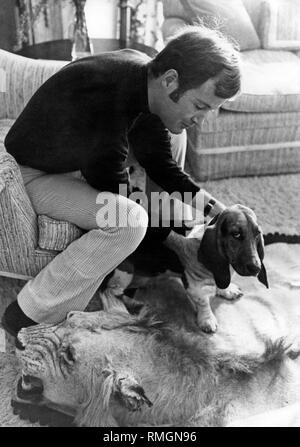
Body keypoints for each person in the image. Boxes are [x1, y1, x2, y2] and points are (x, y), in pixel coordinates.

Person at [2, 25, 241, 337]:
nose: (200, 120)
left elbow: (161, 165)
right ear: (170, 80)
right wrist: (178, 243)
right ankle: (25, 314)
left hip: (72, 166)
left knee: (160, 170)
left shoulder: (145, 83)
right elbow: (119, 193)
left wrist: (218, 211)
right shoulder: (108, 93)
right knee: (129, 221)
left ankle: (70, 310)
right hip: (29, 176)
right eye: (199, 106)